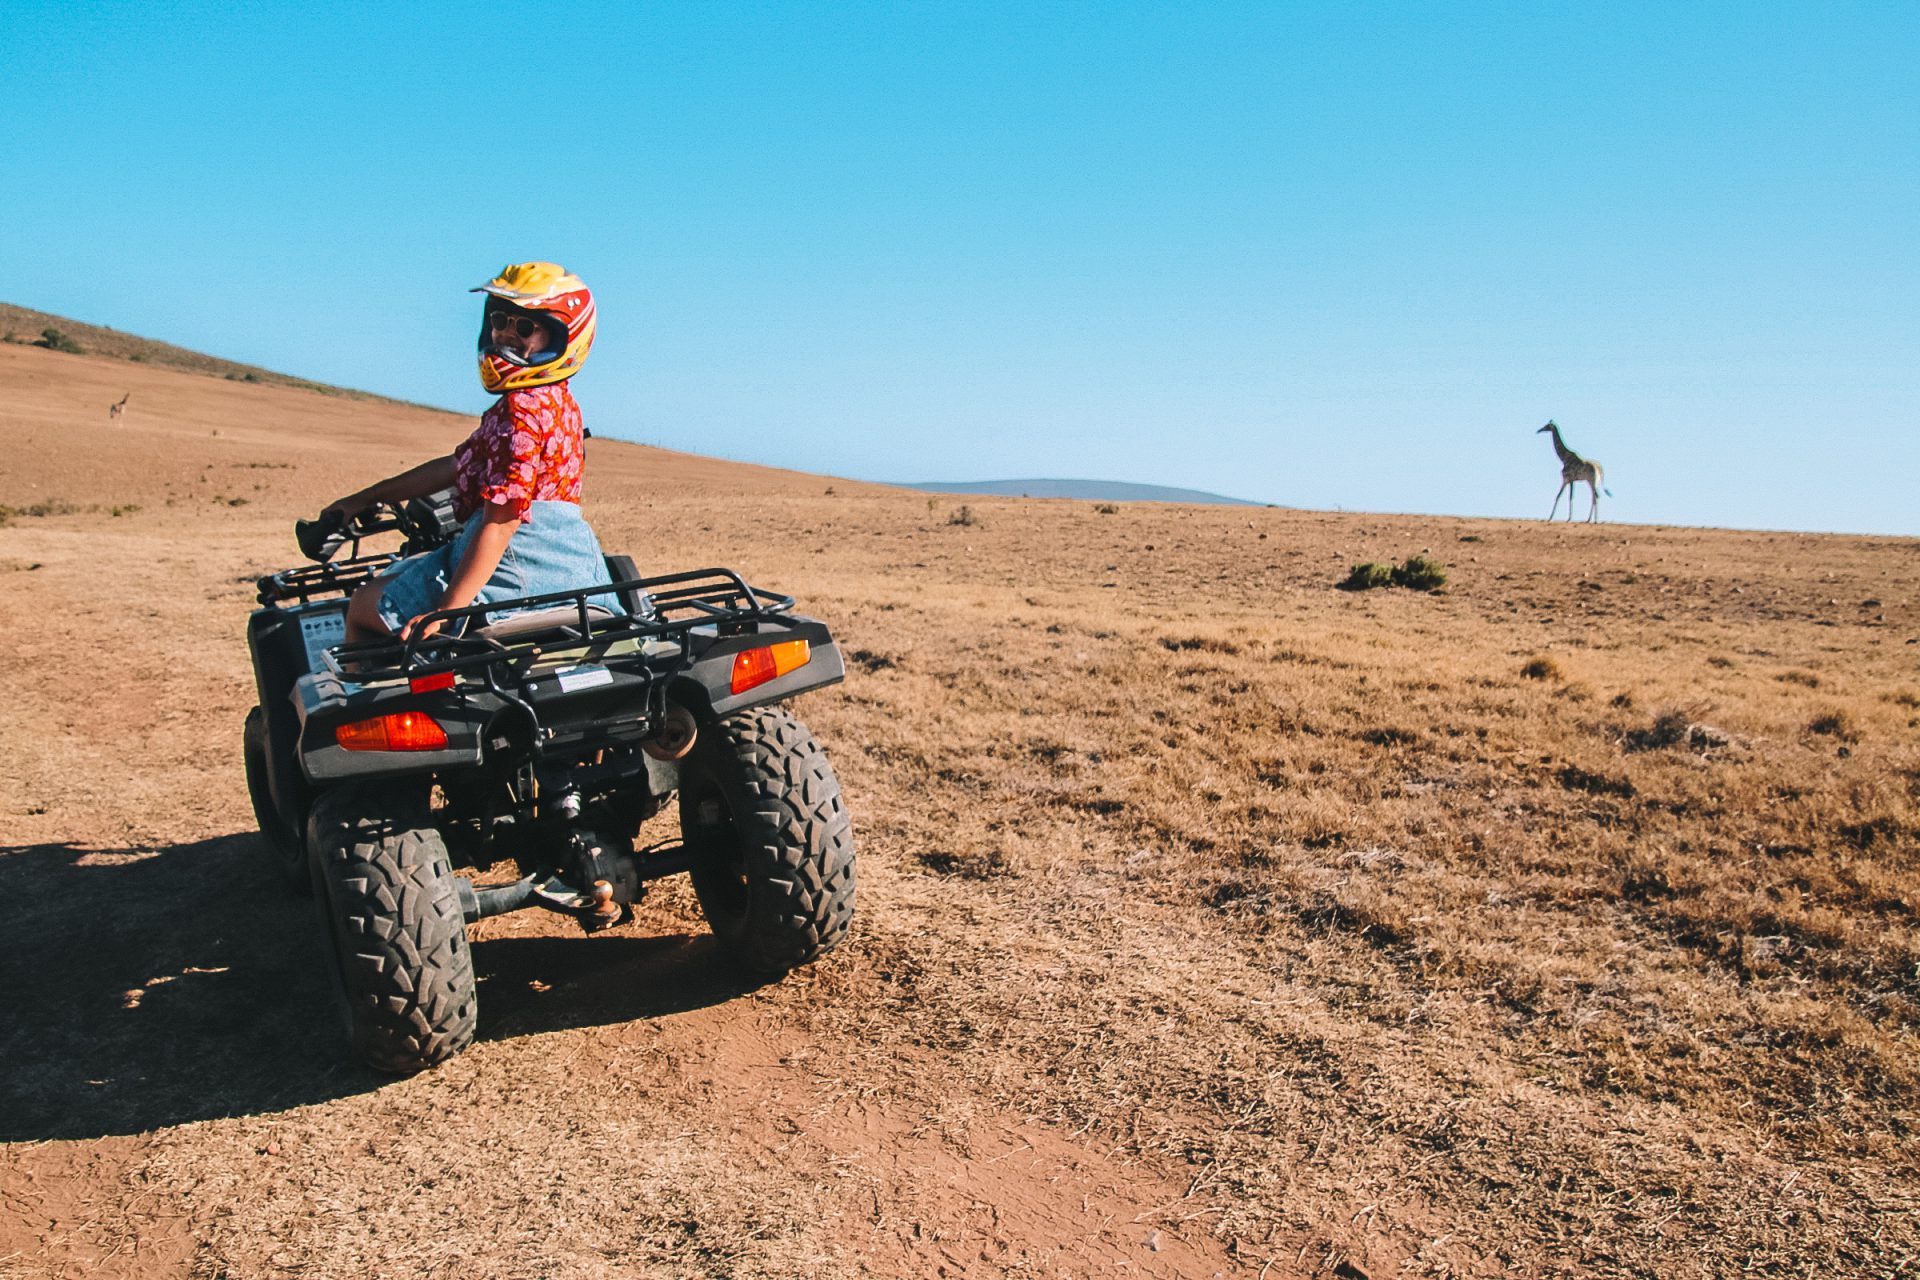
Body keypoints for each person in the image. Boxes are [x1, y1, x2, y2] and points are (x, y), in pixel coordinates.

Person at [327, 262, 622, 642]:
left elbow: (503, 521)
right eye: (500, 320)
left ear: (563, 338)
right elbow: (456, 465)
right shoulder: (557, 404)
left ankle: (376, 699)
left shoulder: (522, 411)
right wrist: (366, 497)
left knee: (363, 605)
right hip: (574, 570)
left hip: (516, 574)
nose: (506, 335)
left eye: (526, 327)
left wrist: (449, 610)